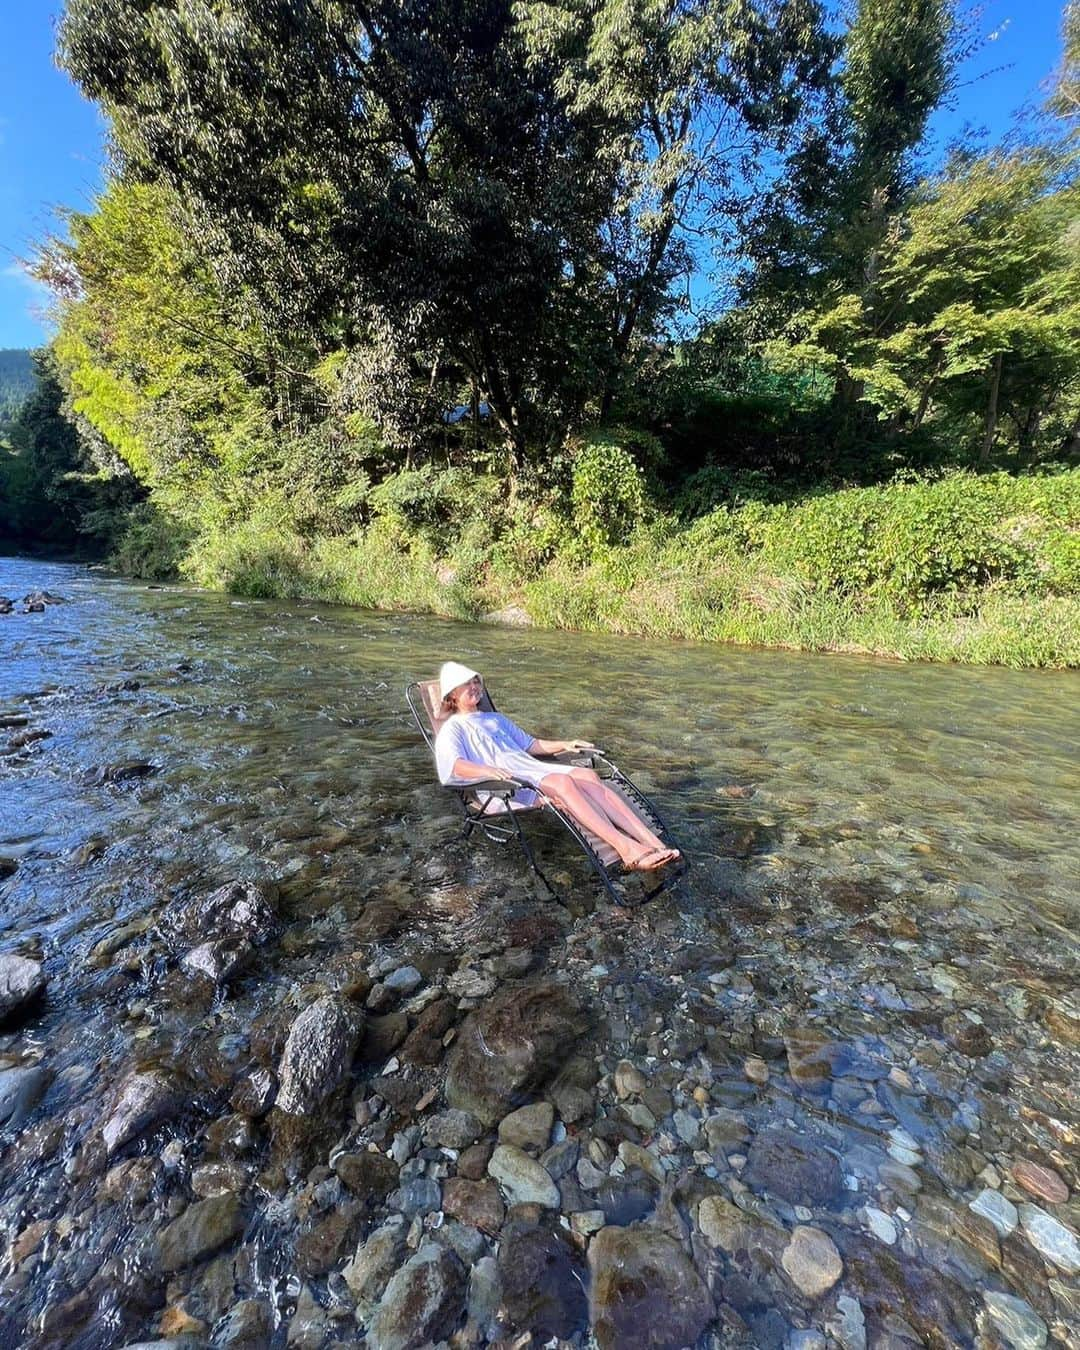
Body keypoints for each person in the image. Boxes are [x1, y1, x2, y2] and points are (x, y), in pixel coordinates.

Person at [434, 661, 679, 871]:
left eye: (476, 682)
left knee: (587, 774)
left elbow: (531, 745)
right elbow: (456, 766)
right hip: (505, 783)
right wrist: (486, 771)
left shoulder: (495, 719)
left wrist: (566, 744)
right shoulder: (453, 728)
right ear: (452, 695)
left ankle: (651, 841)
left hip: (529, 768)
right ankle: (626, 849)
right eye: (466, 684)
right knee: (563, 782)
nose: (474, 687)